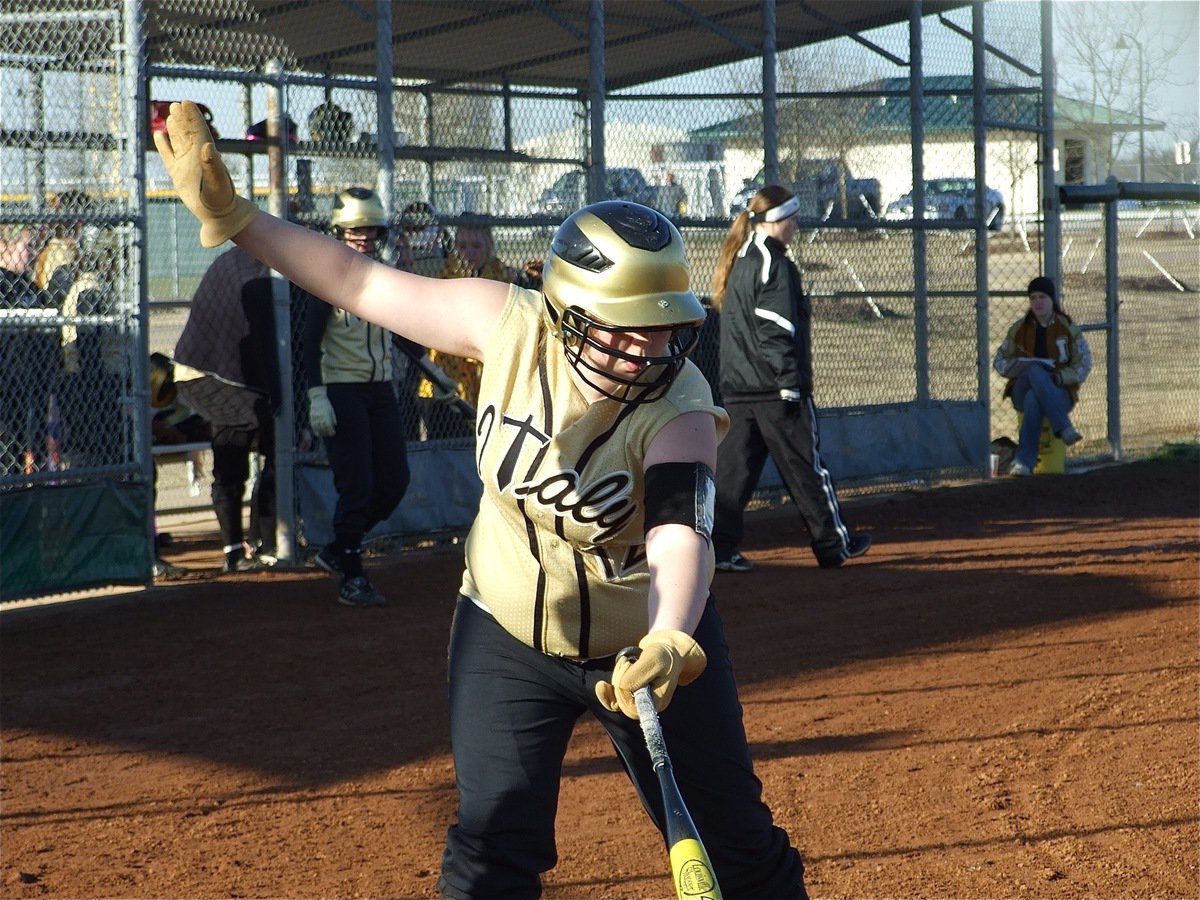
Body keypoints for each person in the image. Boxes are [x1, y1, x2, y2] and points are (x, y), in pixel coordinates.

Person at [155, 100, 809, 899]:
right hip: (506, 633)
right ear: (568, 315)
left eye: (665, 327)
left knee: (738, 850)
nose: (653, 347)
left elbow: (682, 533)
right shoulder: (506, 324)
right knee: (492, 848)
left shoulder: (678, 405)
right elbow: (356, 277)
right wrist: (240, 218)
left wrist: (672, 636)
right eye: (627, 327)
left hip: (648, 647)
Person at [710, 184, 871, 572]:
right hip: (773, 389)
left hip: (739, 388)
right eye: (791, 218)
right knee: (806, 467)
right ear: (773, 222)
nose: (796, 225)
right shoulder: (774, 264)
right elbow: (776, 330)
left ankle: (718, 551)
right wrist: (789, 383)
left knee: (733, 474)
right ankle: (834, 544)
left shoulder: (743, 258)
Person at [302, 187, 410, 607]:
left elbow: (399, 330)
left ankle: (338, 548)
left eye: (369, 229)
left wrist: (433, 369)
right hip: (341, 388)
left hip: (380, 387)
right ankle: (351, 573)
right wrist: (317, 395)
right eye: (353, 230)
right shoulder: (326, 278)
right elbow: (309, 342)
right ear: (339, 231)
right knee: (357, 484)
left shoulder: (381, 275)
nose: (363, 237)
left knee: (395, 482)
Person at [172, 244, 280, 574]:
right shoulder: (252, 271)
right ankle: (235, 550)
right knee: (234, 458)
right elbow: (263, 344)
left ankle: (264, 542)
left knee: (278, 450)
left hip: (241, 378)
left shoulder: (262, 265)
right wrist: (278, 397)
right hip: (209, 376)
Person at [992, 275, 1091, 477]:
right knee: (1034, 370)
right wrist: (1015, 368)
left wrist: (1060, 378)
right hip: (1021, 387)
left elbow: (1083, 364)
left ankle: (1023, 463)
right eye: (1033, 298)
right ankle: (1063, 427)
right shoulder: (1018, 329)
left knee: (1033, 399)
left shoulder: (1068, 328)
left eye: (1042, 297)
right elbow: (1000, 361)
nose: (1037, 302)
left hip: (1059, 391)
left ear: (1052, 300)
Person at [1, 223, 59, 476]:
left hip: (30, 390)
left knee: (19, 460)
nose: (33, 254)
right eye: (26, 247)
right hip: (6, 387)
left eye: (35, 247)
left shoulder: (31, 288)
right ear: (3, 247)